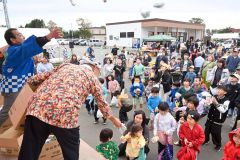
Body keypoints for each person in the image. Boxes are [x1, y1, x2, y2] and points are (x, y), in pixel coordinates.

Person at [18, 60, 123, 159]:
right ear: (94, 68)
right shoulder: (92, 77)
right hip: (65, 115)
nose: (98, 74)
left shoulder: (65, 65)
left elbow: (36, 78)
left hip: (38, 107)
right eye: (98, 72)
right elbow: (102, 103)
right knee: (70, 153)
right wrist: (114, 120)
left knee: (29, 150)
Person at [0, 28, 63, 126]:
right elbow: (27, 48)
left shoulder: (14, 49)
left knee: (27, 106)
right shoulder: (14, 51)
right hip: (14, 86)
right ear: (13, 40)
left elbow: (25, 55)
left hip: (21, 84)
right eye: (20, 35)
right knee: (8, 111)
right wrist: (49, 36)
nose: (23, 37)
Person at [204, 85, 230, 151]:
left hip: (218, 120)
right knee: (206, 131)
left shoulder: (226, 101)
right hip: (210, 117)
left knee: (215, 132)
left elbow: (223, 110)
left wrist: (215, 102)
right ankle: (206, 140)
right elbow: (208, 105)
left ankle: (218, 144)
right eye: (218, 89)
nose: (218, 90)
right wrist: (207, 103)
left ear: (225, 92)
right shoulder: (214, 96)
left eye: (221, 89)